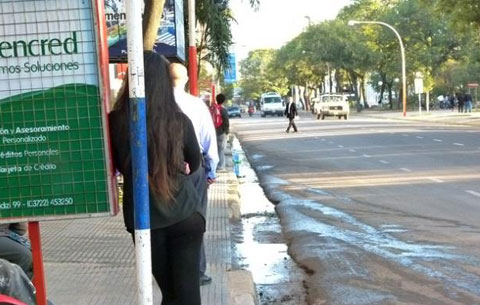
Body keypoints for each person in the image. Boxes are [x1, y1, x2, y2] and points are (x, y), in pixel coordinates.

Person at [109, 51, 204, 305]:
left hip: (144, 219)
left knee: (170, 295)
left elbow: (115, 164)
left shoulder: (115, 122)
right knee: (187, 296)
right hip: (185, 213)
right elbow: (195, 163)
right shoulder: (179, 120)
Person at [169, 62, 218, 286]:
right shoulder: (196, 104)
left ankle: (172, 270)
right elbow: (209, 140)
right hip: (194, 167)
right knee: (195, 219)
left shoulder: (155, 104)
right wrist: (212, 169)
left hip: (163, 168)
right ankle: (196, 272)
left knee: (168, 220)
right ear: (187, 79)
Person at [214, 94, 229, 172]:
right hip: (221, 132)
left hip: (213, 132)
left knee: (215, 149)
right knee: (221, 149)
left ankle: (214, 165)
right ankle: (220, 167)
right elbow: (226, 122)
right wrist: (226, 131)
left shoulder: (213, 108)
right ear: (224, 101)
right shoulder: (223, 109)